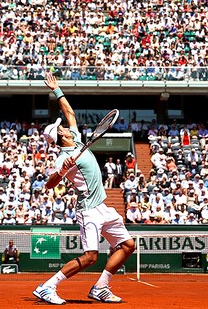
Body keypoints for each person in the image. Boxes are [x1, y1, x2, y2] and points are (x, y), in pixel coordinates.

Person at [33, 72, 135, 305]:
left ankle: (101, 287)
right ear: (60, 135)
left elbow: (69, 112)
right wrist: (61, 172)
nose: (66, 126)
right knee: (90, 257)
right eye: (62, 127)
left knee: (128, 245)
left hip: (103, 207)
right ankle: (47, 287)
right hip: (88, 210)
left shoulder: (77, 139)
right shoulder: (63, 157)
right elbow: (49, 184)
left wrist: (56, 90)